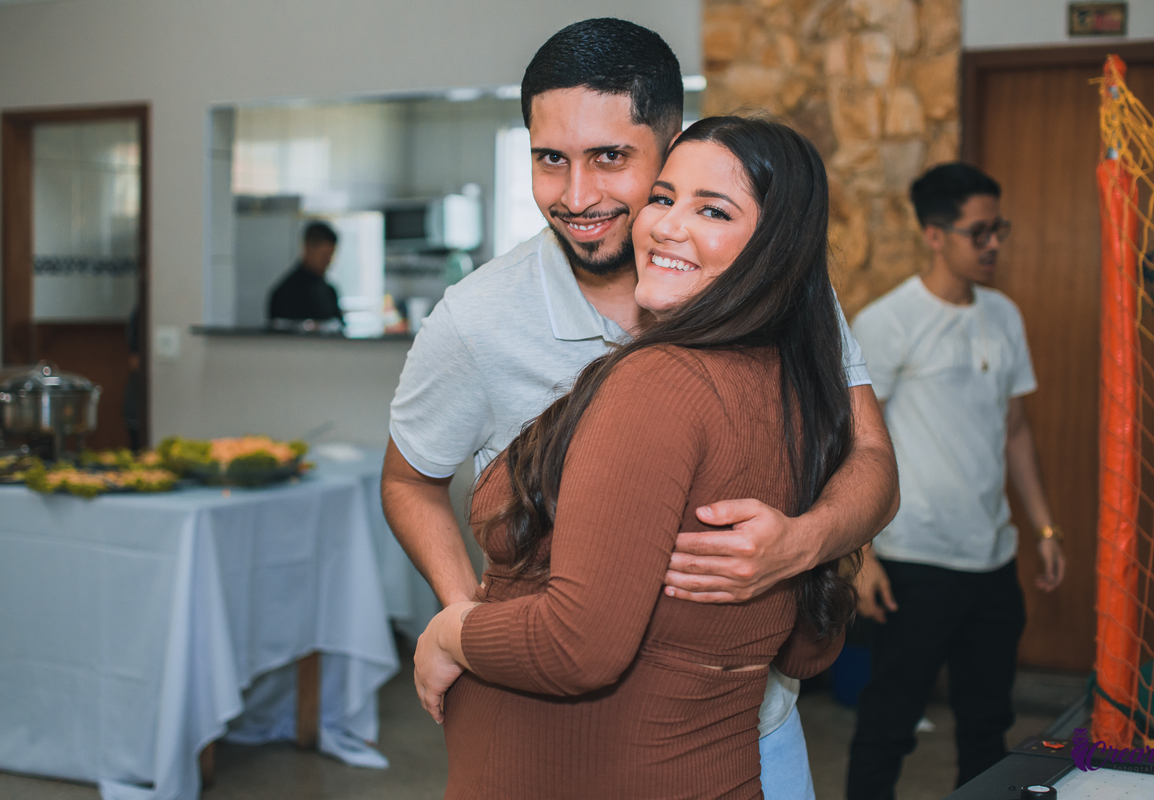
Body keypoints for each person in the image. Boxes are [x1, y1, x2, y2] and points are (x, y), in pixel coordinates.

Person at [383, 19, 899, 798]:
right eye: (550, 160)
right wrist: (467, 624)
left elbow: (873, 462)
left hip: (750, 725)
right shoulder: (477, 317)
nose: (577, 195)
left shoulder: (778, 293)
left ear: (672, 145)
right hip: (559, 739)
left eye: (611, 159)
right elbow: (408, 480)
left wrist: (801, 542)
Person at [846, 163, 1067, 799]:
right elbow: (853, 447)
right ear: (934, 234)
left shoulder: (1004, 315)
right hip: (915, 563)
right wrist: (861, 556)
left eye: (999, 228)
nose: (994, 242)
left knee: (987, 726)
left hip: (994, 563)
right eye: (980, 231)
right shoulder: (889, 323)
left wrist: (1045, 525)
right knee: (888, 725)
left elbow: (1016, 431)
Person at [266, 220, 343, 323]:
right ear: (308, 248)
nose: (328, 261)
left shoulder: (329, 291)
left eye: (331, 255)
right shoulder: (285, 294)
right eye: (324, 254)